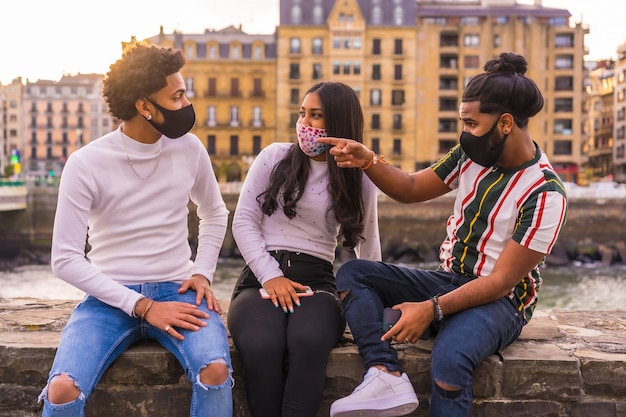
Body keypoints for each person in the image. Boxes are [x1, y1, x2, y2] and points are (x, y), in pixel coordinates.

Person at [318, 52, 568, 417]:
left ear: (506, 123)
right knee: (354, 274)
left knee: (451, 361)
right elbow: (410, 188)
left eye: (470, 123)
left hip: (502, 301)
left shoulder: (545, 192)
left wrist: (430, 309)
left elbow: (500, 282)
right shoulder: (470, 156)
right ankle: (385, 372)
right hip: (448, 280)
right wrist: (368, 159)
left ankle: (434, 326)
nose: (464, 132)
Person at [38, 44, 233, 417]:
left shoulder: (189, 148)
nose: (186, 103)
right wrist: (143, 306)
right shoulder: (86, 163)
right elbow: (64, 259)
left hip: (177, 288)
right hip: (108, 299)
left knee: (216, 371)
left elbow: (213, 212)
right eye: (177, 96)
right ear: (145, 107)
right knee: (61, 389)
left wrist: (203, 272)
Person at [227, 81, 382, 417]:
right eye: (303, 114)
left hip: (317, 281)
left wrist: (374, 307)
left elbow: (367, 246)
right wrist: (271, 277)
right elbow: (243, 223)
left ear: (339, 124)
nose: (305, 124)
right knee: (261, 345)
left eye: (316, 116)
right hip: (261, 279)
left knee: (309, 343)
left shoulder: (361, 177)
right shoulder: (274, 157)